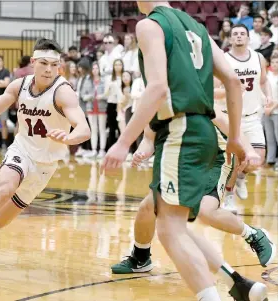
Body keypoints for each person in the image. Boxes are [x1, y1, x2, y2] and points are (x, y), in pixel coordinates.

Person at [101, 2, 251, 300]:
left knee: (169, 230)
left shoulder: (149, 25)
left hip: (179, 129)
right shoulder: (197, 27)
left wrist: (121, 142)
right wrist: (234, 136)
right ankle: (239, 284)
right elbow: (233, 81)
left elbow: (157, 88)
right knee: (174, 223)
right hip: (205, 130)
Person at [0, 38, 91, 278]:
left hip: (45, 166)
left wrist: (68, 137)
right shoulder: (19, 85)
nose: (48, 69)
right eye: (44, 63)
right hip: (21, 151)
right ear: (33, 62)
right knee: (5, 188)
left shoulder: (63, 92)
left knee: (1, 221)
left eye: (54, 64)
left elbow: (84, 129)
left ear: (60, 67)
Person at [111, 105, 274, 300]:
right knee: (149, 207)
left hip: (215, 159)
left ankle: (253, 236)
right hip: (180, 160)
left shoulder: (191, 93)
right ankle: (140, 257)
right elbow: (149, 138)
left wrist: (247, 150)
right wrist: (141, 152)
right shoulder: (156, 99)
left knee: (202, 213)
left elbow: (228, 123)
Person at [215, 24, 273, 213]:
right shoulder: (223, 60)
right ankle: (229, 195)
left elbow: (263, 81)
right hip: (230, 118)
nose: (239, 37)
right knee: (234, 160)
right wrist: (227, 92)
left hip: (252, 116)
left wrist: (268, 95)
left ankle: (241, 177)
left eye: (242, 34)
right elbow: (211, 89)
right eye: (235, 34)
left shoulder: (258, 57)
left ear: (248, 38)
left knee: (258, 159)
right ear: (230, 39)